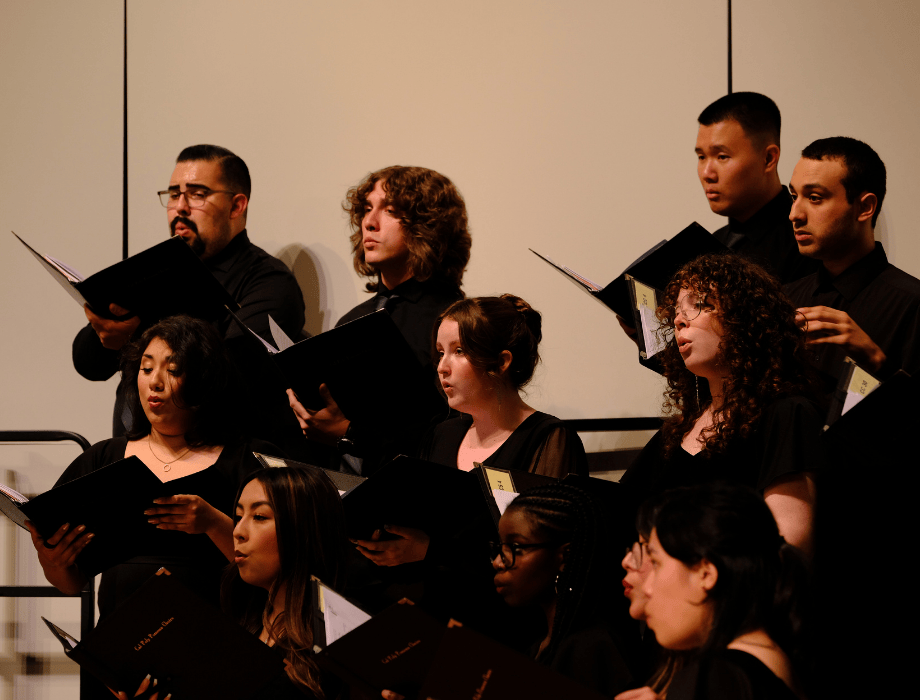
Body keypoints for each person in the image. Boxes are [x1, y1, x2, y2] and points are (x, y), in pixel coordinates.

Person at [29, 315, 275, 622]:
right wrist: (53, 562)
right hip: (121, 642)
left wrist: (212, 522)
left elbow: (278, 570)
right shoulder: (105, 458)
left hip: (213, 638)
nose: (154, 382)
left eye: (172, 370)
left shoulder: (246, 461)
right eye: (146, 368)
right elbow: (71, 583)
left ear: (204, 381)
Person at [72, 144, 306, 450]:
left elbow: (233, 373)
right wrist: (107, 328)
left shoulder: (270, 281)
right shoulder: (155, 275)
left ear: (237, 206)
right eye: (173, 194)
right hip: (142, 454)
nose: (180, 207)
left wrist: (136, 337)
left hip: (229, 461)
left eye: (197, 194)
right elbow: (88, 363)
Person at [620, 253, 823, 555]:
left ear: (745, 317)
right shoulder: (676, 433)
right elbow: (619, 512)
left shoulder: (785, 413)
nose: (679, 320)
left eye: (700, 305)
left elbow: (788, 544)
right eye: (676, 311)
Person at [288, 165, 472, 473]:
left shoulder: (451, 319)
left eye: (389, 210)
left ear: (428, 225)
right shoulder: (354, 319)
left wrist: (349, 434)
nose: (369, 223)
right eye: (367, 209)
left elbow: (450, 435)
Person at [113, 466, 348, 700]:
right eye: (238, 516)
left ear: (305, 530)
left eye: (259, 517)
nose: (238, 531)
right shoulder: (241, 624)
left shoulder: (340, 641)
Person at [641, 482, 810, 699]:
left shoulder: (714, 678)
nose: (647, 588)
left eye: (655, 563)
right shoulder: (777, 662)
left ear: (705, 574)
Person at [786, 136, 920, 385]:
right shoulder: (784, 299)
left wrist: (876, 360)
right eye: (794, 196)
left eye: (814, 198)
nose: (795, 214)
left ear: (865, 207)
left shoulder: (912, 305)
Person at [490, 483, 635, 696]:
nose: (497, 562)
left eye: (516, 548)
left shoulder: (591, 649)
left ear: (565, 557)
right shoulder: (540, 647)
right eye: (499, 547)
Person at [695, 92, 817, 284]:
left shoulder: (806, 242)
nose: (707, 173)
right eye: (701, 157)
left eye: (722, 157)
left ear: (768, 158)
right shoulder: (711, 246)